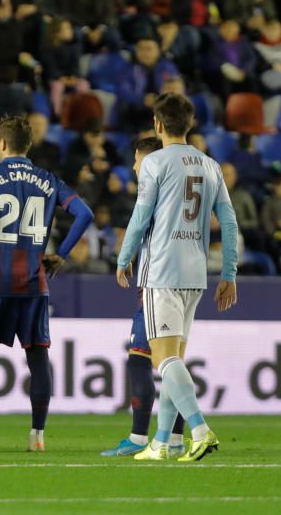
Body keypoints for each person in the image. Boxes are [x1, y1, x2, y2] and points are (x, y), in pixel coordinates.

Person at [0, 115, 93, 453]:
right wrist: (60, 253)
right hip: (33, 283)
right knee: (37, 359)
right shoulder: (48, 179)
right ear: (28, 145)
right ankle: (37, 437)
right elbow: (85, 214)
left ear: (1, 143)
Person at [116, 93, 238, 462]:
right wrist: (229, 273)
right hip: (196, 272)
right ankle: (164, 441)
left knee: (163, 359)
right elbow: (229, 223)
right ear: (190, 124)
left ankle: (200, 430)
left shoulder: (154, 162)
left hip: (162, 270)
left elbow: (140, 217)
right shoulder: (210, 165)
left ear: (157, 124)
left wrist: (124, 258)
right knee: (175, 359)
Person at [101, 136, 188, 457]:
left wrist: (123, 259)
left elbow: (138, 225)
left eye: (136, 160)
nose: (135, 167)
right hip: (185, 279)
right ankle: (176, 440)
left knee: (140, 358)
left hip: (159, 282)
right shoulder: (180, 186)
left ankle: (139, 437)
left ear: (145, 158)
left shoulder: (153, 184)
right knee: (171, 361)